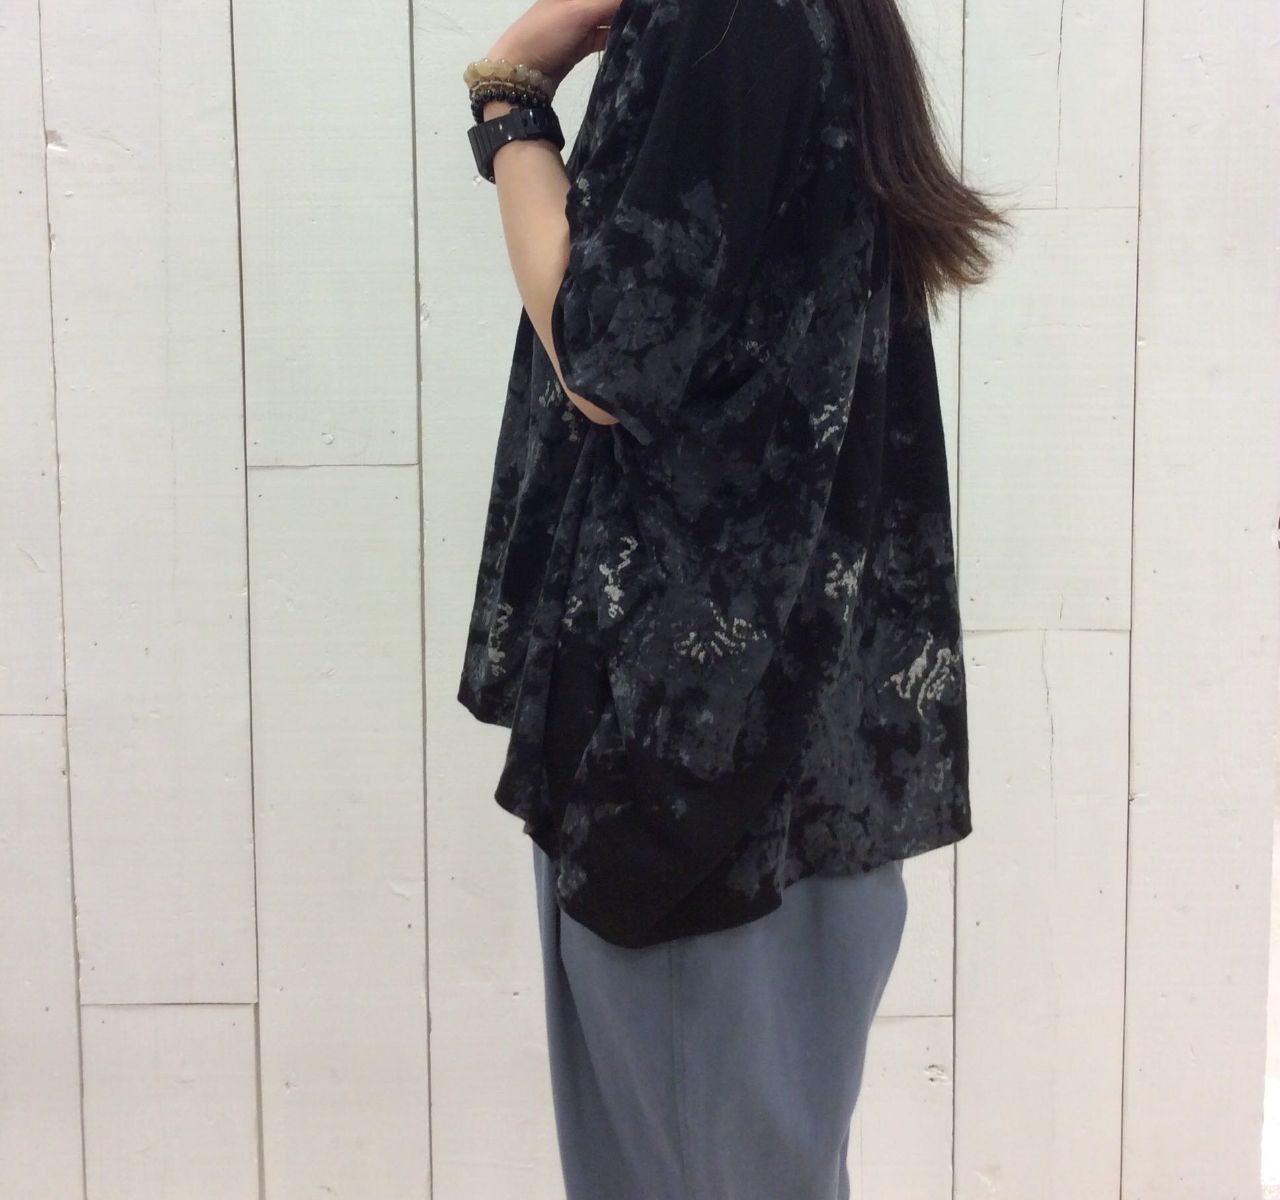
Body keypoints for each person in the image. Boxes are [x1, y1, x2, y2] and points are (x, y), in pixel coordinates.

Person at [458, 0, 1012, 1195]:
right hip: (771, 728)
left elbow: (604, 353)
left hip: (695, 762)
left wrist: (509, 94)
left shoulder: (732, 16)